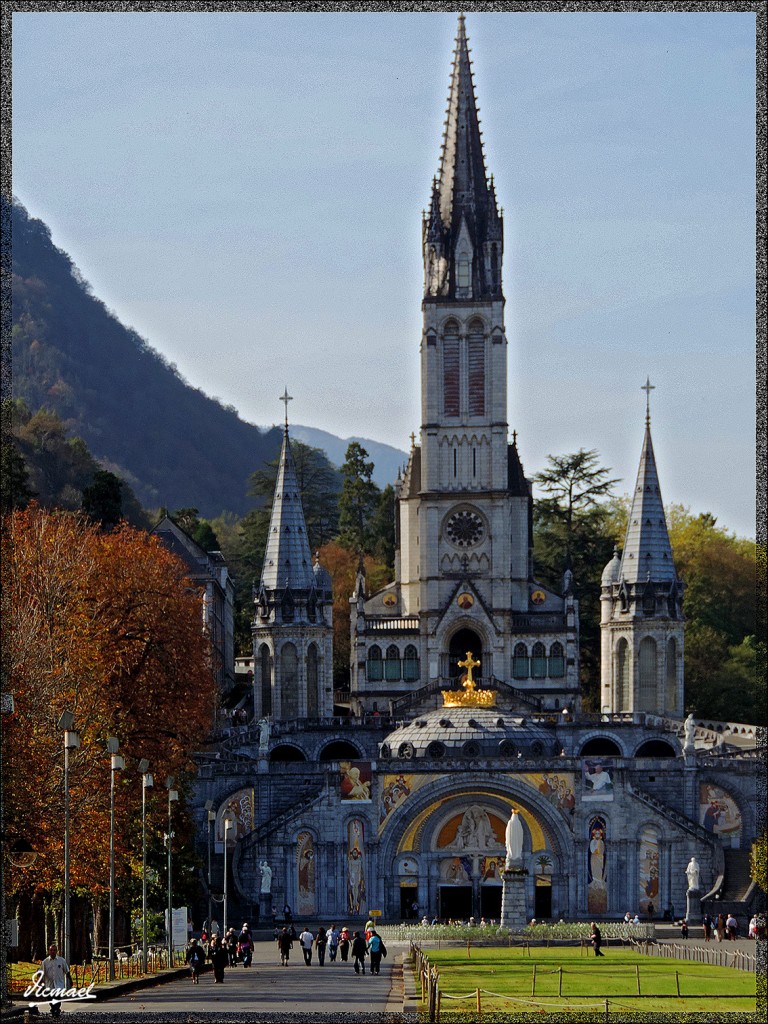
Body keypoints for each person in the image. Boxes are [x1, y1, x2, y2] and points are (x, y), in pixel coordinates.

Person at [41, 943, 70, 1018]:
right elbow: (42, 973)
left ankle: (56, 1010)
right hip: (49, 984)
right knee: (50, 999)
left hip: (59, 984)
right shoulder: (45, 962)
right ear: (49, 951)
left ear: (56, 951)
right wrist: (41, 983)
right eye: (51, 950)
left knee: (57, 998)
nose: (53, 952)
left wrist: (70, 980)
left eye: (54, 950)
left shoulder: (61, 960)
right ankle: (53, 1009)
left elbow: (67, 971)